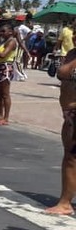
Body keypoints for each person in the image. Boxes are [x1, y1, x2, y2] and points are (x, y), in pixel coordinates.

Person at [47, 48, 76, 215]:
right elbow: (61, 73)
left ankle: (65, 203)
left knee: (71, 157)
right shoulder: (72, 53)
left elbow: (64, 72)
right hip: (69, 112)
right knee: (70, 156)